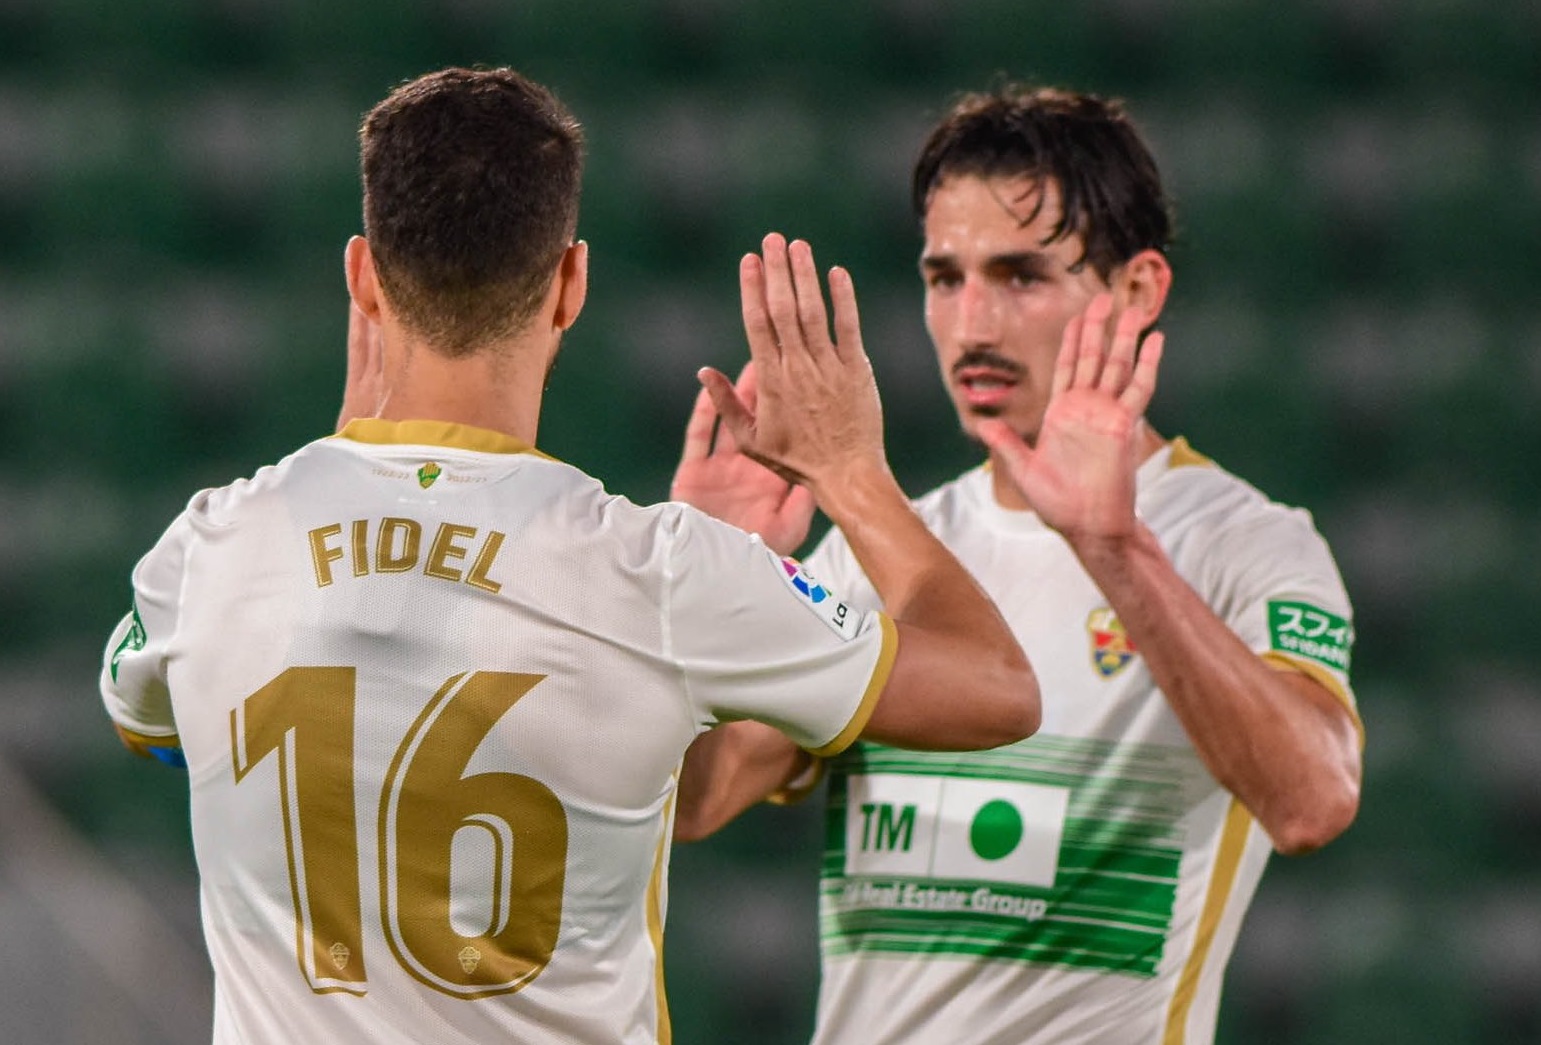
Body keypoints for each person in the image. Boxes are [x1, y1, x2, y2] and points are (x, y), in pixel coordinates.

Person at [97, 66, 1043, 1045]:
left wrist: (346, 456)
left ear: (361, 279)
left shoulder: (212, 549)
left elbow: (151, 715)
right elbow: (996, 688)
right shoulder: (659, 578)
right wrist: (850, 472)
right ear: (569, 285)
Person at [671, 84, 1364, 1045]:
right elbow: (698, 797)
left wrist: (1112, 549)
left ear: (1137, 290)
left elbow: (1313, 800)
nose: (974, 324)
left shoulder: (1240, 539)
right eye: (944, 277)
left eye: (1021, 275)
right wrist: (705, 570)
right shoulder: (891, 551)